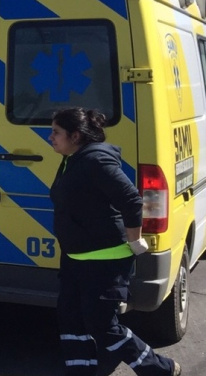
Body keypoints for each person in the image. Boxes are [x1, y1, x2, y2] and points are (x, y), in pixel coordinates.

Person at [49, 108, 180, 376]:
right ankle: (80, 371)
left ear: (75, 135)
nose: (50, 137)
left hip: (104, 259)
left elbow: (131, 200)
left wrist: (136, 241)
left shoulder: (95, 160)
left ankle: (160, 369)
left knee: (102, 326)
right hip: (76, 257)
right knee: (71, 318)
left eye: (56, 132)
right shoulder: (72, 159)